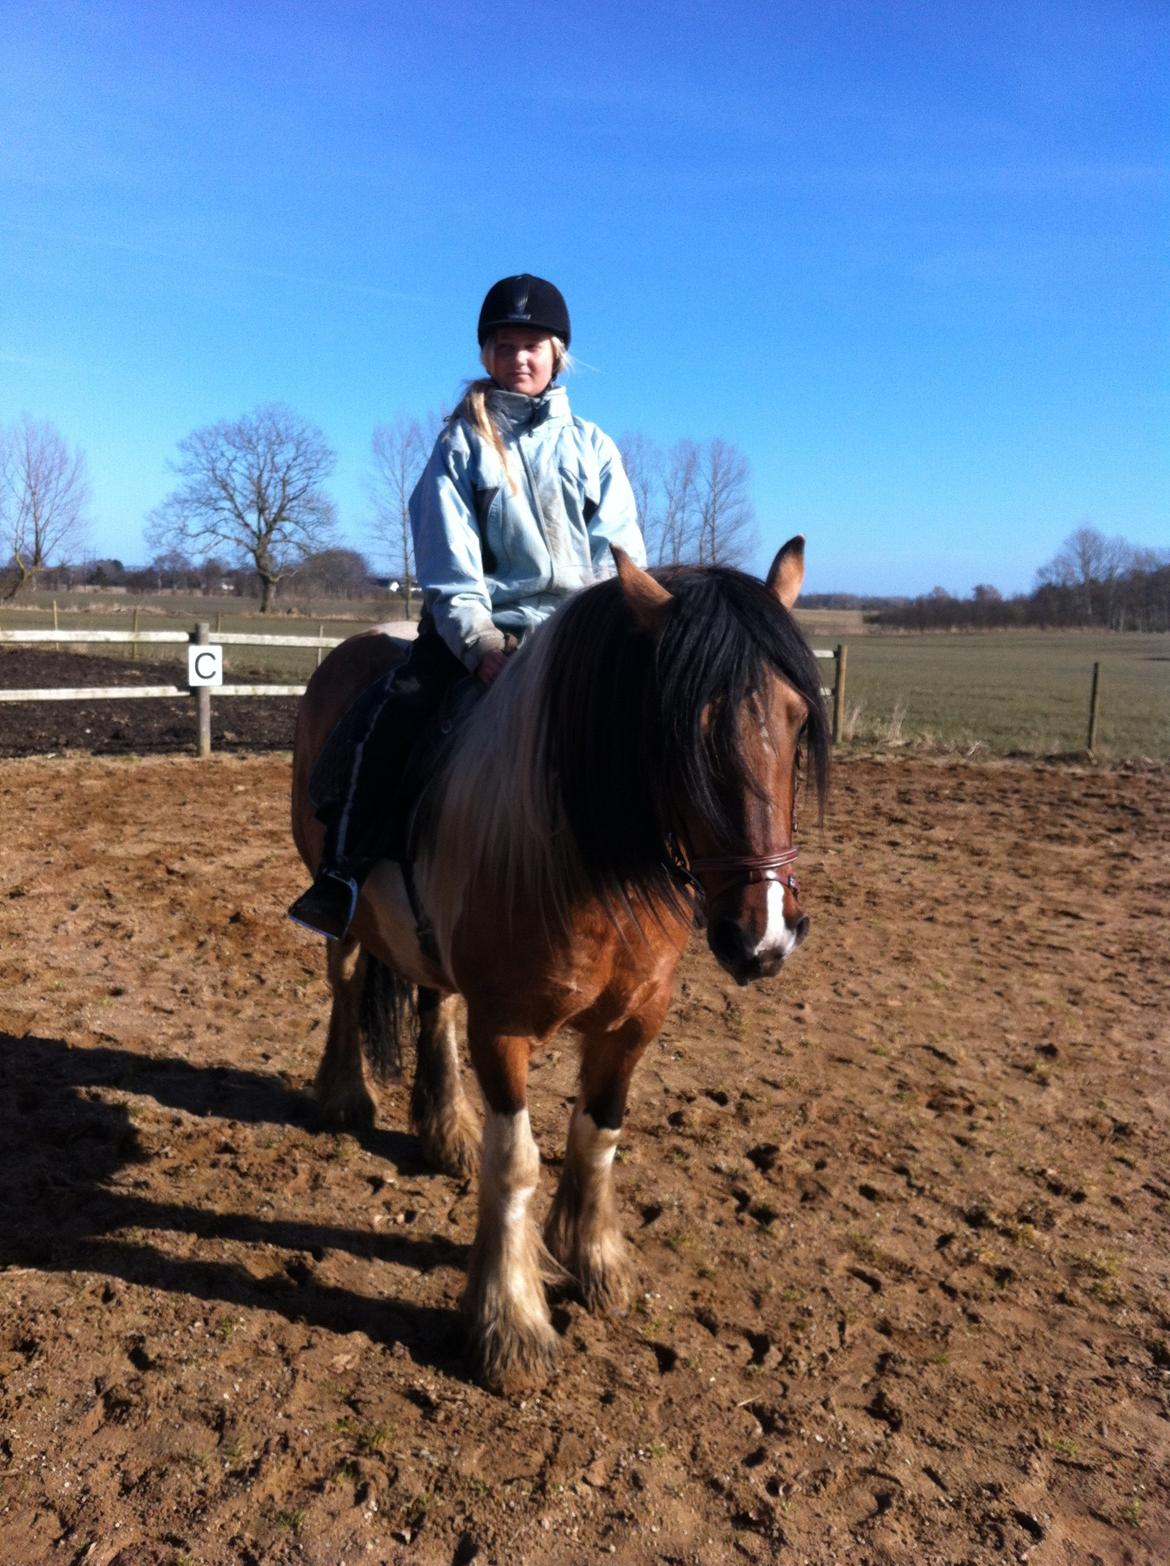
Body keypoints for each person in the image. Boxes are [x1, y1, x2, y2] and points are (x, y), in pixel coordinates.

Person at [288, 273, 646, 940]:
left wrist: (612, 638)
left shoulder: (594, 448)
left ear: (558, 353)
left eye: (533, 345)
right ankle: (342, 869)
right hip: (481, 633)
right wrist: (481, 647)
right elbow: (451, 564)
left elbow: (619, 558)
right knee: (398, 707)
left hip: (573, 636)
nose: (520, 358)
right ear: (488, 356)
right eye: (505, 346)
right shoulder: (460, 445)